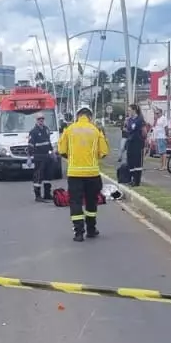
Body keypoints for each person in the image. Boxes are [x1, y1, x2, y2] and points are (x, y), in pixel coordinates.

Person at [58, 104, 109, 242]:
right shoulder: (96, 130)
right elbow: (104, 152)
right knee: (91, 203)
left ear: (77, 116)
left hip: (74, 174)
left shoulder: (69, 130)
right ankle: (91, 230)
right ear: (90, 117)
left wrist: (73, 158)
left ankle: (79, 233)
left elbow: (62, 150)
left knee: (75, 202)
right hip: (92, 174)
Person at [28, 113, 55, 202]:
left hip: (47, 156)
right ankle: (38, 196)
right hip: (38, 157)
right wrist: (29, 158)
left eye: (42, 119)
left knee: (48, 175)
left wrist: (52, 153)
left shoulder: (46, 129)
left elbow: (48, 142)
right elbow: (30, 145)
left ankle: (47, 194)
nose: (41, 120)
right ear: (36, 120)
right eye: (39, 119)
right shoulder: (33, 131)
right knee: (38, 176)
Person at [124, 103, 146, 187]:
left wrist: (144, 140)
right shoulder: (129, 120)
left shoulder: (140, 119)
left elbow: (144, 131)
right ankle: (132, 178)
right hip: (130, 142)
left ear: (134, 110)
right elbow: (127, 129)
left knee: (137, 161)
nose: (128, 112)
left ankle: (137, 180)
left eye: (129, 110)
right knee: (130, 160)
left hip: (138, 142)